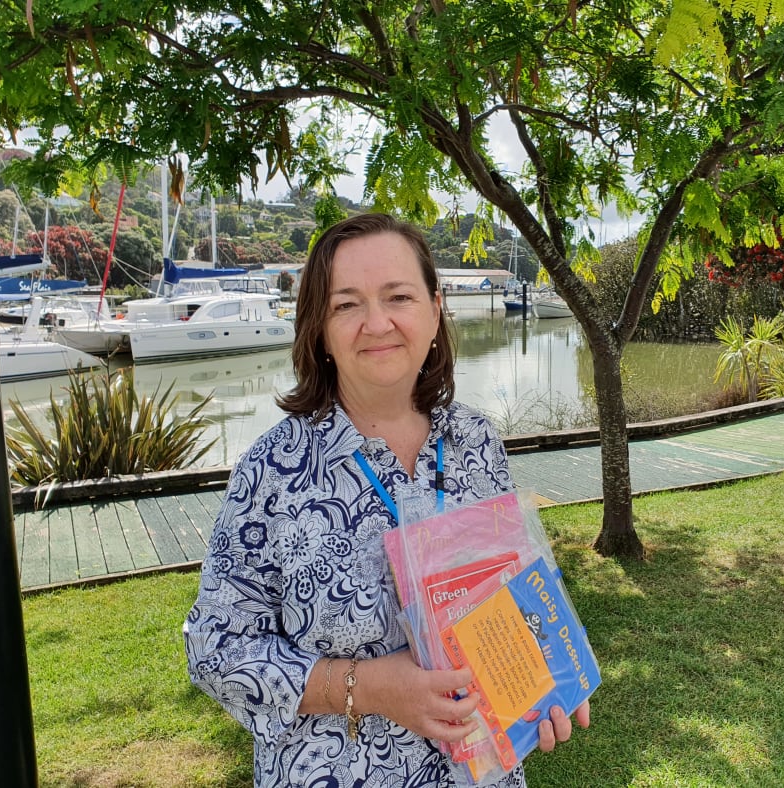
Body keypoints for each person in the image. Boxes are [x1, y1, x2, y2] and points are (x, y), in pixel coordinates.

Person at [184, 213, 590, 787]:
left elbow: (515, 595)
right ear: (319, 329)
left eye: (398, 296)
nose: (377, 323)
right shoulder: (273, 470)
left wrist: (549, 677)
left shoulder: (476, 442)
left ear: (434, 307)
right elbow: (215, 647)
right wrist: (368, 688)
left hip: (484, 772)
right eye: (347, 304)